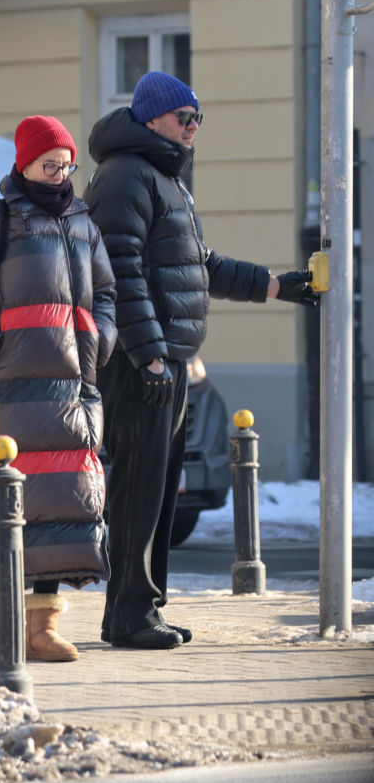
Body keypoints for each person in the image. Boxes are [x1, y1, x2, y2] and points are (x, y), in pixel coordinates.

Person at [84, 71, 318, 650]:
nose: (193, 129)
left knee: (162, 490)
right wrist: (151, 357)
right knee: (139, 488)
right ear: (151, 118)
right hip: (144, 364)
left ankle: (145, 609)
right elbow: (122, 274)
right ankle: (128, 616)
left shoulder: (165, 179)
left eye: (197, 119)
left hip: (169, 360)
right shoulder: (125, 178)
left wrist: (277, 286)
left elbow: (199, 266)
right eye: (183, 118)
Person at [0, 115, 117, 661]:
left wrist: (100, 342)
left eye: (65, 165)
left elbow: (107, 291)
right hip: (13, 390)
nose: (59, 173)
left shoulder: (84, 221)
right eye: (49, 164)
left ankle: (40, 627)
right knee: (7, 503)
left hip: (71, 388)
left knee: (62, 511)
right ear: (25, 163)